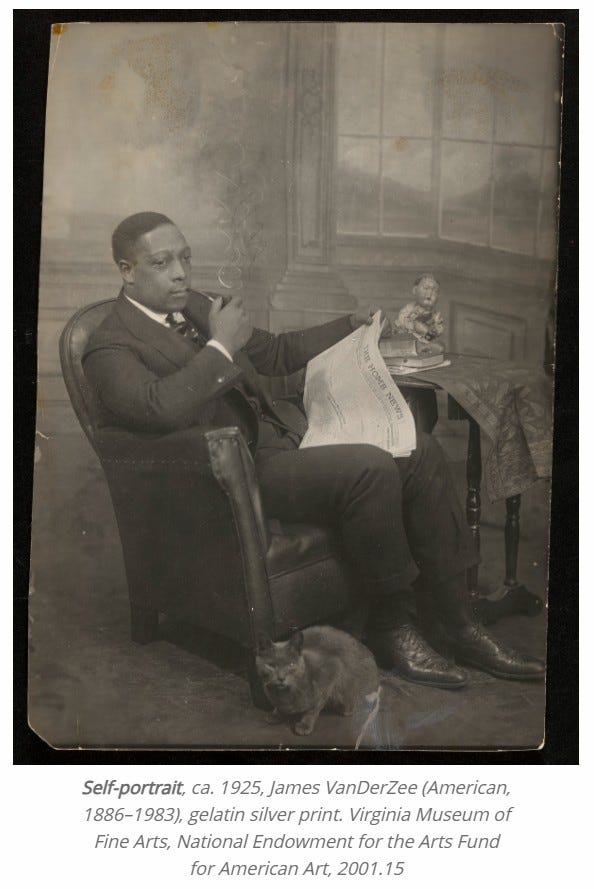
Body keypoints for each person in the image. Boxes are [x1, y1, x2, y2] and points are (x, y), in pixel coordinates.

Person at [82, 212, 544, 689]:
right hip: (233, 475)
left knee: (419, 450)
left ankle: (461, 624)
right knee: (369, 467)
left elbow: (274, 353)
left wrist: (348, 325)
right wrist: (220, 345)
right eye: (162, 263)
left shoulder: (197, 306)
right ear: (126, 270)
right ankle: (391, 626)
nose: (180, 273)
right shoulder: (110, 345)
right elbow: (158, 410)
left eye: (185, 258)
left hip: (288, 438)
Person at [397, 274, 445, 342]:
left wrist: (434, 330)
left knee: (437, 345)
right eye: (425, 288)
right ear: (415, 290)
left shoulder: (436, 315)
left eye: (435, 291)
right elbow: (401, 322)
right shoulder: (408, 309)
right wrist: (414, 325)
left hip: (427, 340)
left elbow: (439, 329)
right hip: (409, 340)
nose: (429, 294)